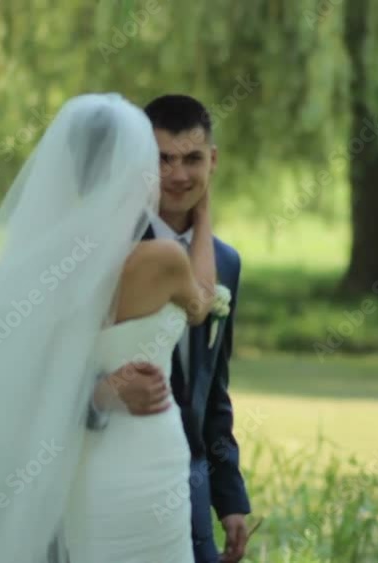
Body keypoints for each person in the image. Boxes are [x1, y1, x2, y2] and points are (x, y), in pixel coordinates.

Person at [0, 93, 214, 563]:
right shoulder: (163, 260)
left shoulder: (40, 264)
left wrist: (99, 393)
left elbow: (21, 379)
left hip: (75, 467)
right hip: (146, 458)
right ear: (139, 166)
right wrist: (204, 218)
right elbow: (202, 302)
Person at [84, 94, 252, 563]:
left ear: (212, 160)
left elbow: (214, 389)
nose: (179, 175)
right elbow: (43, 372)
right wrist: (104, 392)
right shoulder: (102, 251)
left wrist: (230, 498)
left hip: (190, 479)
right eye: (163, 159)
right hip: (105, 470)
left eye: (193, 159)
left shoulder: (226, 262)